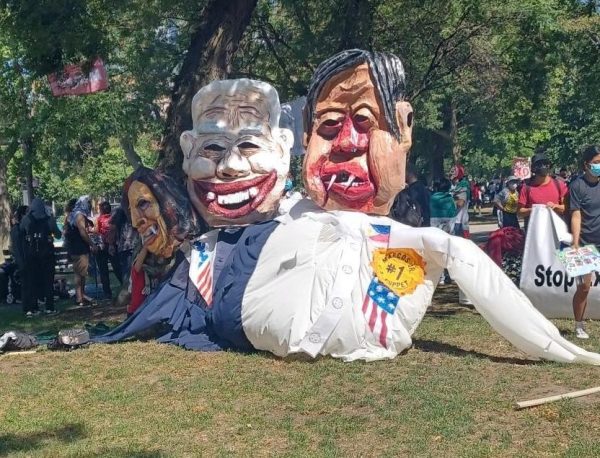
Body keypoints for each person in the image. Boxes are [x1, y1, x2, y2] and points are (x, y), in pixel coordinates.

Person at [569, 145, 600, 339]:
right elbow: (576, 215)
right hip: (584, 242)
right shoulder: (576, 186)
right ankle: (579, 324)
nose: (599, 166)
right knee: (584, 287)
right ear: (586, 165)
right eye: (596, 163)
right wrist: (575, 242)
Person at [19, 198, 61, 316]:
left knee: (32, 281)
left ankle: (33, 308)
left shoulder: (26, 219)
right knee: (48, 281)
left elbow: (21, 232)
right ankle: (49, 307)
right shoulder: (49, 219)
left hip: (32, 256)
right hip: (47, 255)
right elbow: (58, 235)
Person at [517, 151, 567, 228]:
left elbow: (566, 208)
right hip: (535, 233)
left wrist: (555, 206)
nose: (543, 167)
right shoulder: (527, 187)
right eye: (539, 164)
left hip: (556, 232)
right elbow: (520, 212)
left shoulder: (559, 185)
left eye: (545, 164)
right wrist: (533, 210)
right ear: (533, 168)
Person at [65, 195, 98, 306]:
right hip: (79, 247)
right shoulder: (79, 215)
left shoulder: (73, 214)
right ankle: (80, 296)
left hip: (75, 246)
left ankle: (82, 294)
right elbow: (82, 233)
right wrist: (92, 244)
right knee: (80, 272)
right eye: (88, 203)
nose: (89, 205)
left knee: (81, 272)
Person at [95, 201, 123, 299]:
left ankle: (107, 292)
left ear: (101, 209)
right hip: (113, 245)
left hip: (102, 246)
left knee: (103, 270)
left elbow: (97, 231)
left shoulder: (99, 219)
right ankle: (124, 285)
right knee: (117, 267)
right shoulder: (114, 218)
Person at [450, 165, 470, 237]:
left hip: (459, 220)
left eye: (453, 171)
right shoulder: (452, 185)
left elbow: (460, 203)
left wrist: (449, 202)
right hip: (452, 219)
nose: (451, 173)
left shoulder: (463, 185)